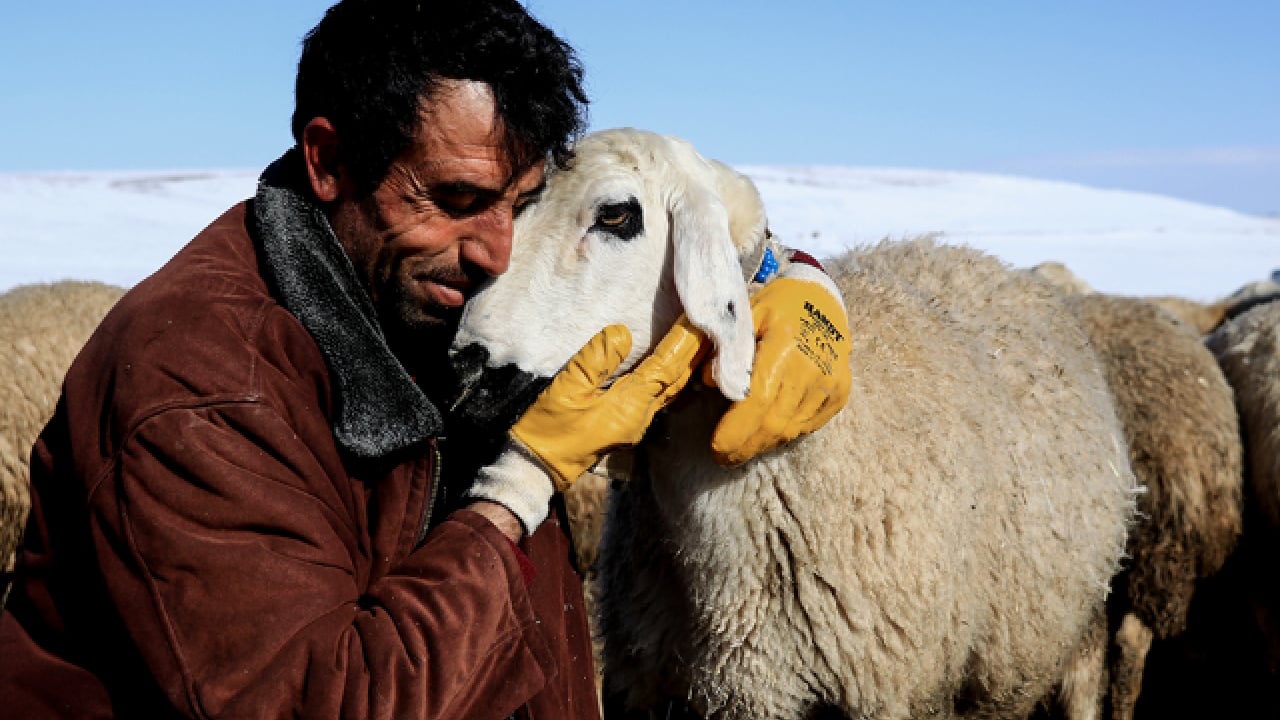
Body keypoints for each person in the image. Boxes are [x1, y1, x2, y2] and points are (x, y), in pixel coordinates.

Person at [0, 1, 852, 717]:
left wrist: (783, 275)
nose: (496, 252)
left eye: (519, 206)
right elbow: (327, 702)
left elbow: (644, 206)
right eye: (456, 201)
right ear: (328, 162)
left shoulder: (428, 298)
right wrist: (519, 486)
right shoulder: (199, 387)